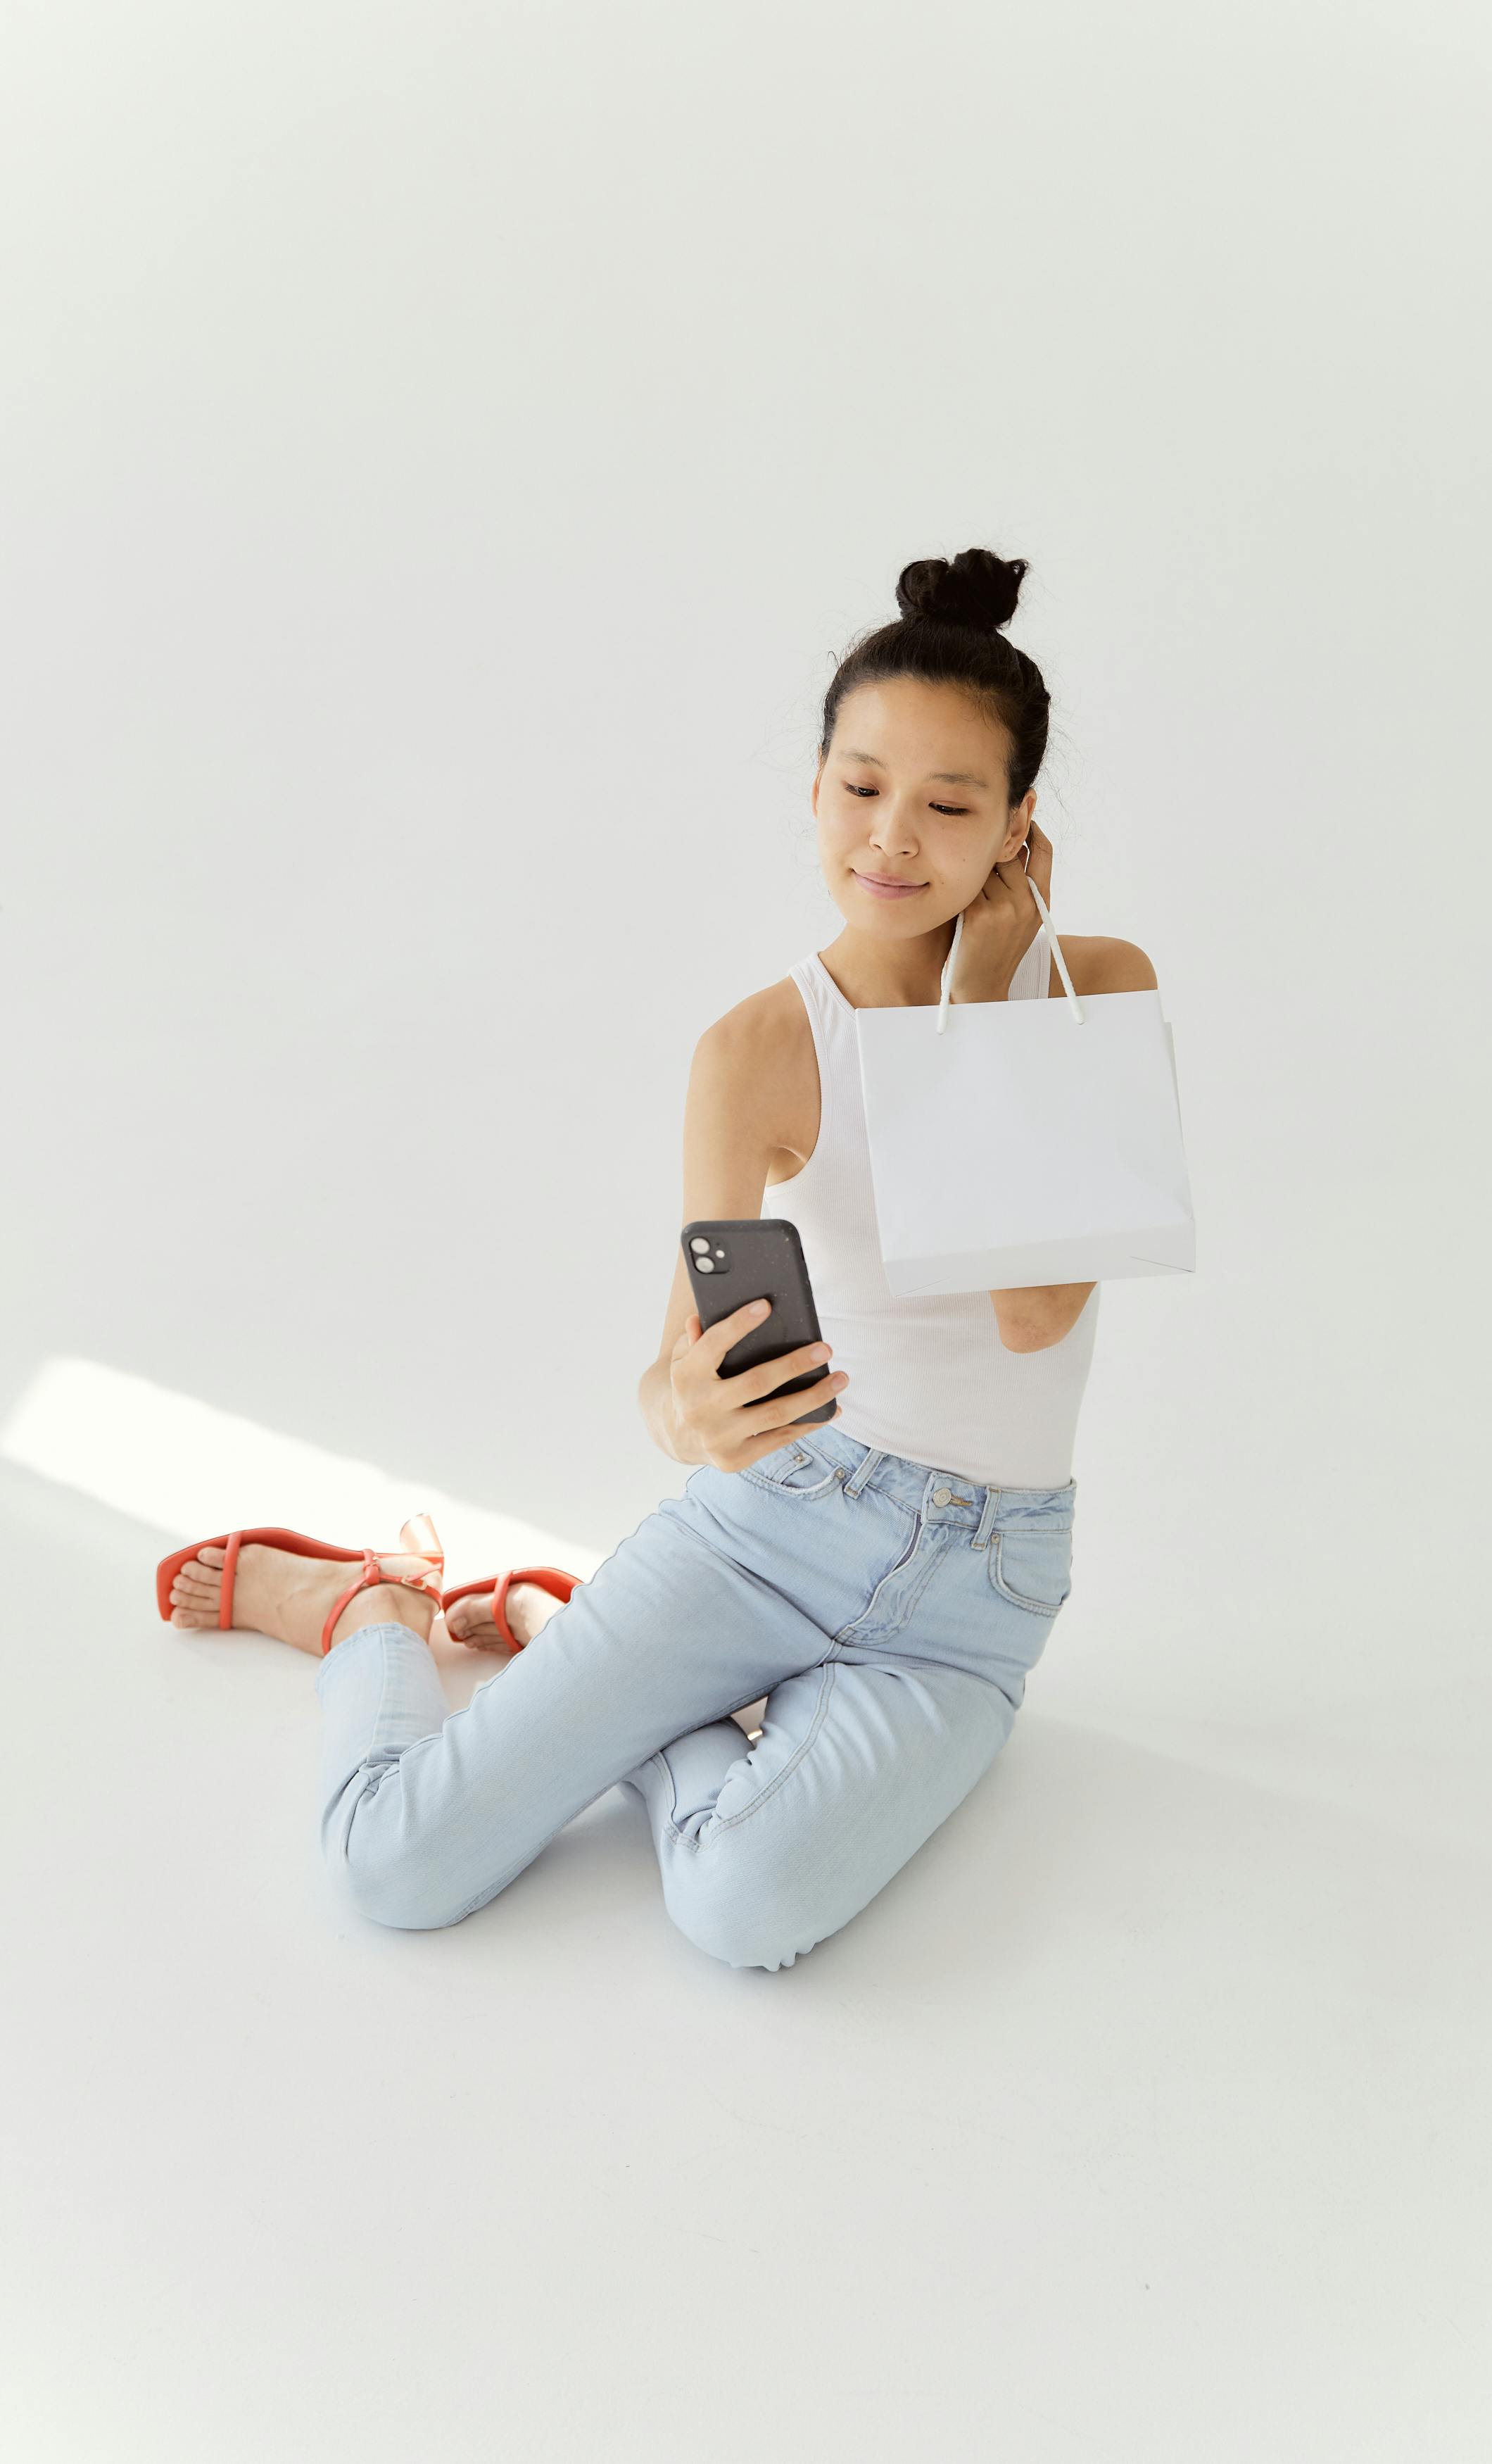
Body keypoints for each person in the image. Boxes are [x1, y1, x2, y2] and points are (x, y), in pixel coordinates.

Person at [159, 547, 1159, 1970]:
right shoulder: (754, 1051)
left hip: (971, 1605)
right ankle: (373, 1613)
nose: (892, 837)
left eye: (949, 805)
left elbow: (1035, 1309)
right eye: (862, 786)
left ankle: (648, 1706)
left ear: (1017, 827)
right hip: (776, 1527)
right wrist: (677, 1408)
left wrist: (987, 1000)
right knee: (395, 1868)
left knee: (743, 1911)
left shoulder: (1095, 991)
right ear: (815, 785)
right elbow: (688, 1374)